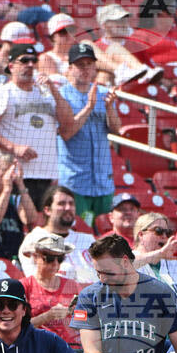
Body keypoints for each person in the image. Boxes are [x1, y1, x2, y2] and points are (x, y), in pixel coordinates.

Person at [0, 43, 75, 210]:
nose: (30, 65)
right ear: (11, 66)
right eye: (24, 61)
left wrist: (54, 89)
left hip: (46, 174)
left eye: (33, 61)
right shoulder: (2, 93)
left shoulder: (46, 94)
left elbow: (68, 123)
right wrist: (13, 147)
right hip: (14, 174)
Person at [58, 43, 121, 224]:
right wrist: (89, 107)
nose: (85, 69)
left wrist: (109, 109)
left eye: (89, 64)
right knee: (77, 234)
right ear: (70, 68)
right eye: (80, 64)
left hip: (103, 181)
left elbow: (117, 130)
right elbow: (66, 133)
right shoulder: (62, 95)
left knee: (106, 239)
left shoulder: (103, 93)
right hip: (75, 182)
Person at [18, 186, 97, 284]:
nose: (68, 208)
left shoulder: (87, 240)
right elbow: (37, 282)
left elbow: (99, 276)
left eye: (71, 204)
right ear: (47, 210)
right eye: (61, 204)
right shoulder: (34, 240)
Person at [131, 212, 177, 309]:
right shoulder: (127, 257)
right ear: (141, 234)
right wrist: (160, 253)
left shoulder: (176, 266)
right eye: (159, 231)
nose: (164, 236)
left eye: (168, 233)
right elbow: (124, 267)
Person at [21, 234, 81, 346]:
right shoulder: (24, 286)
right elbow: (17, 327)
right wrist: (47, 316)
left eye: (60, 259)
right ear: (35, 257)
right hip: (38, 348)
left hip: (71, 349)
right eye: (49, 259)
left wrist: (73, 313)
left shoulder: (72, 285)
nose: (56, 264)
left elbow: (87, 318)